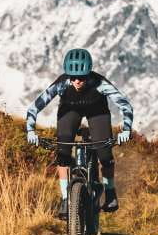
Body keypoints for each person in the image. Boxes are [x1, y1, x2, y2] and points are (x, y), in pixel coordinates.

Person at [24, 48, 134, 216]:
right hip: (70, 111)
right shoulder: (62, 83)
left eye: (81, 77)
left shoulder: (99, 83)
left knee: (104, 153)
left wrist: (126, 129)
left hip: (97, 111)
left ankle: (110, 191)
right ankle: (66, 199)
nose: (76, 81)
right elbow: (34, 107)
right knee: (63, 153)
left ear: (88, 73)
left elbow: (125, 105)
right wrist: (30, 130)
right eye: (72, 76)